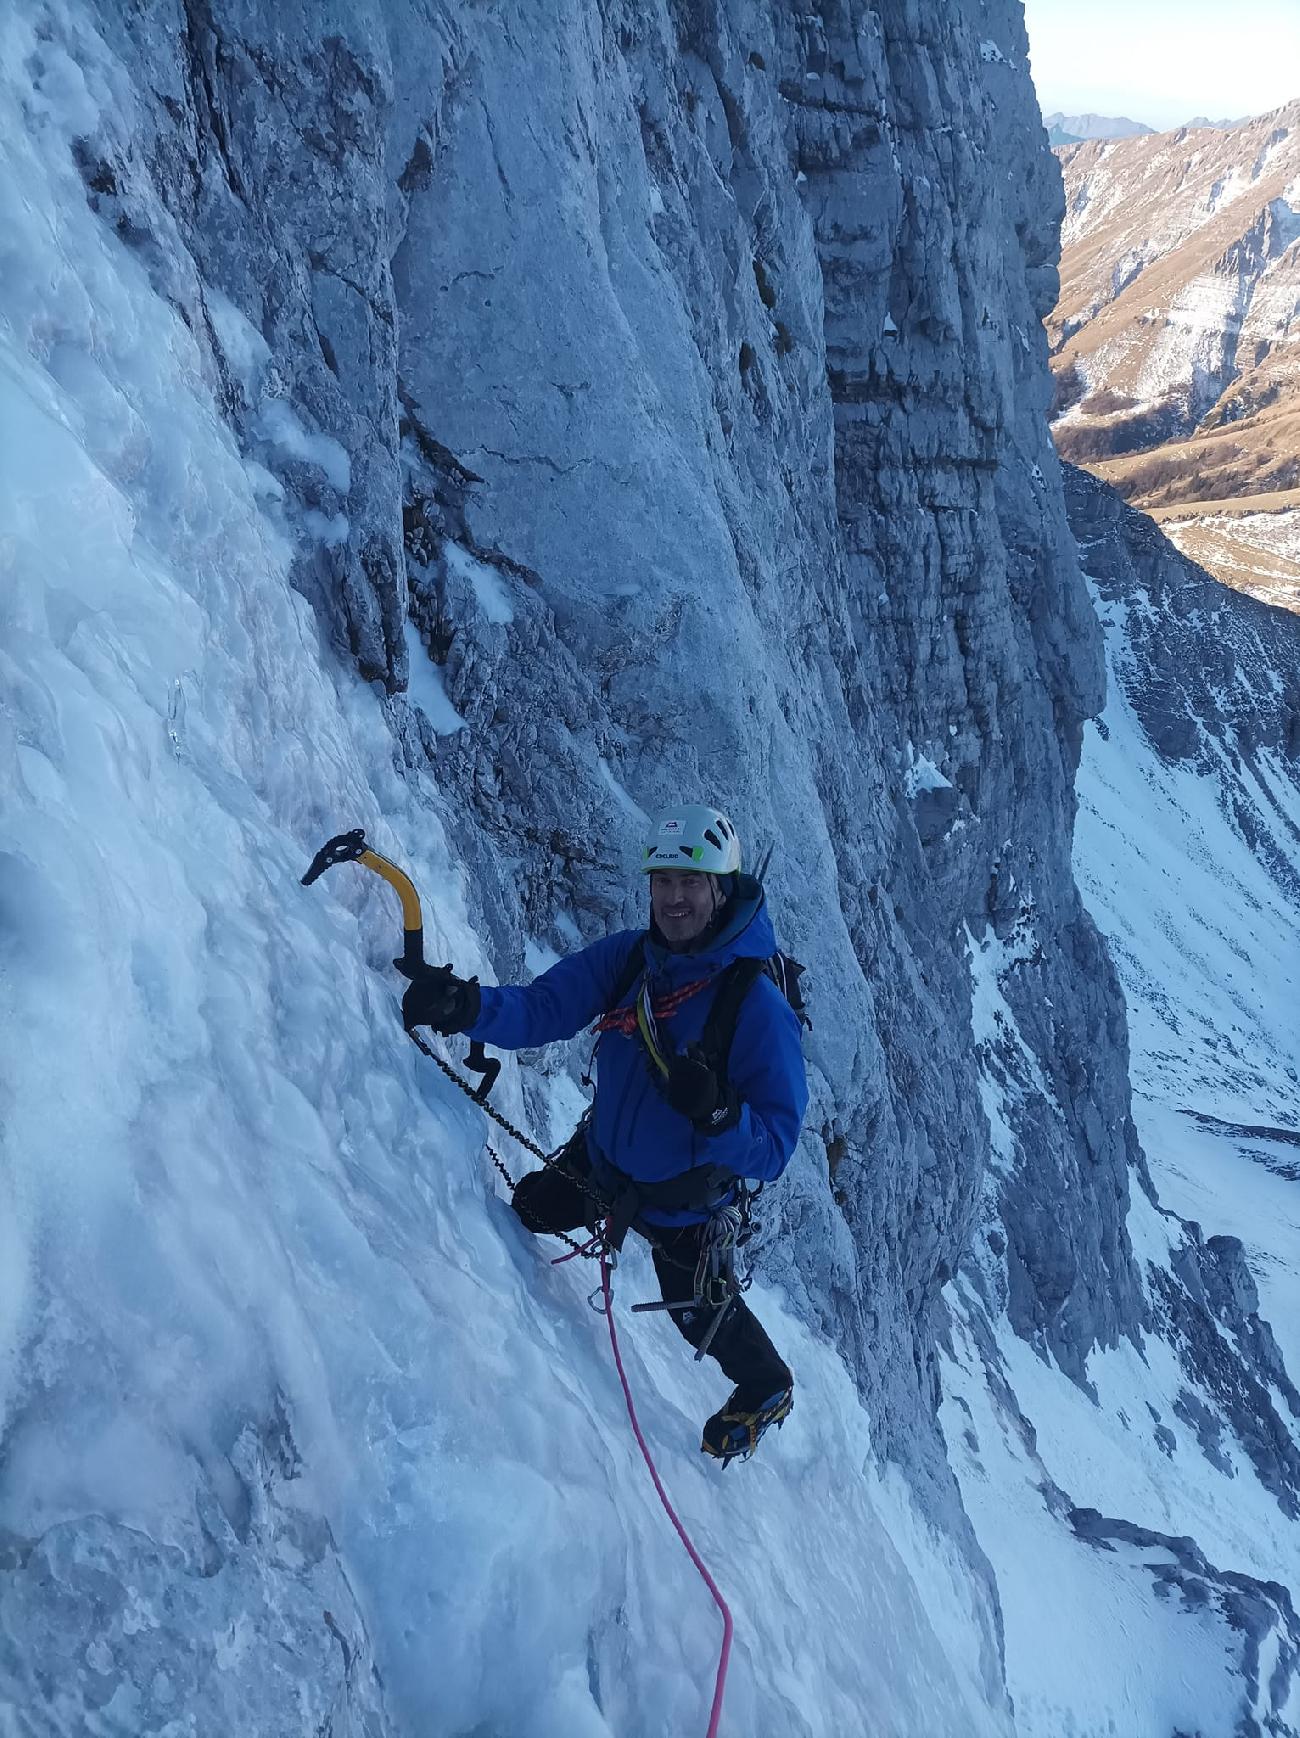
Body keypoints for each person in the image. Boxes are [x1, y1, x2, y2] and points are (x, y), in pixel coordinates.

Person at [401, 803, 809, 1463]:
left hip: (685, 1204)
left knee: (696, 1315)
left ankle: (768, 1386)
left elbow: (776, 1145)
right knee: (532, 1208)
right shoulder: (631, 962)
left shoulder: (754, 1009)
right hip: (606, 1165)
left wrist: (718, 1117)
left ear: (721, 890)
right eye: (663, 882)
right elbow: (544, 1009)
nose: (673, 898)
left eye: (690, 883)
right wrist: (467, 1008)